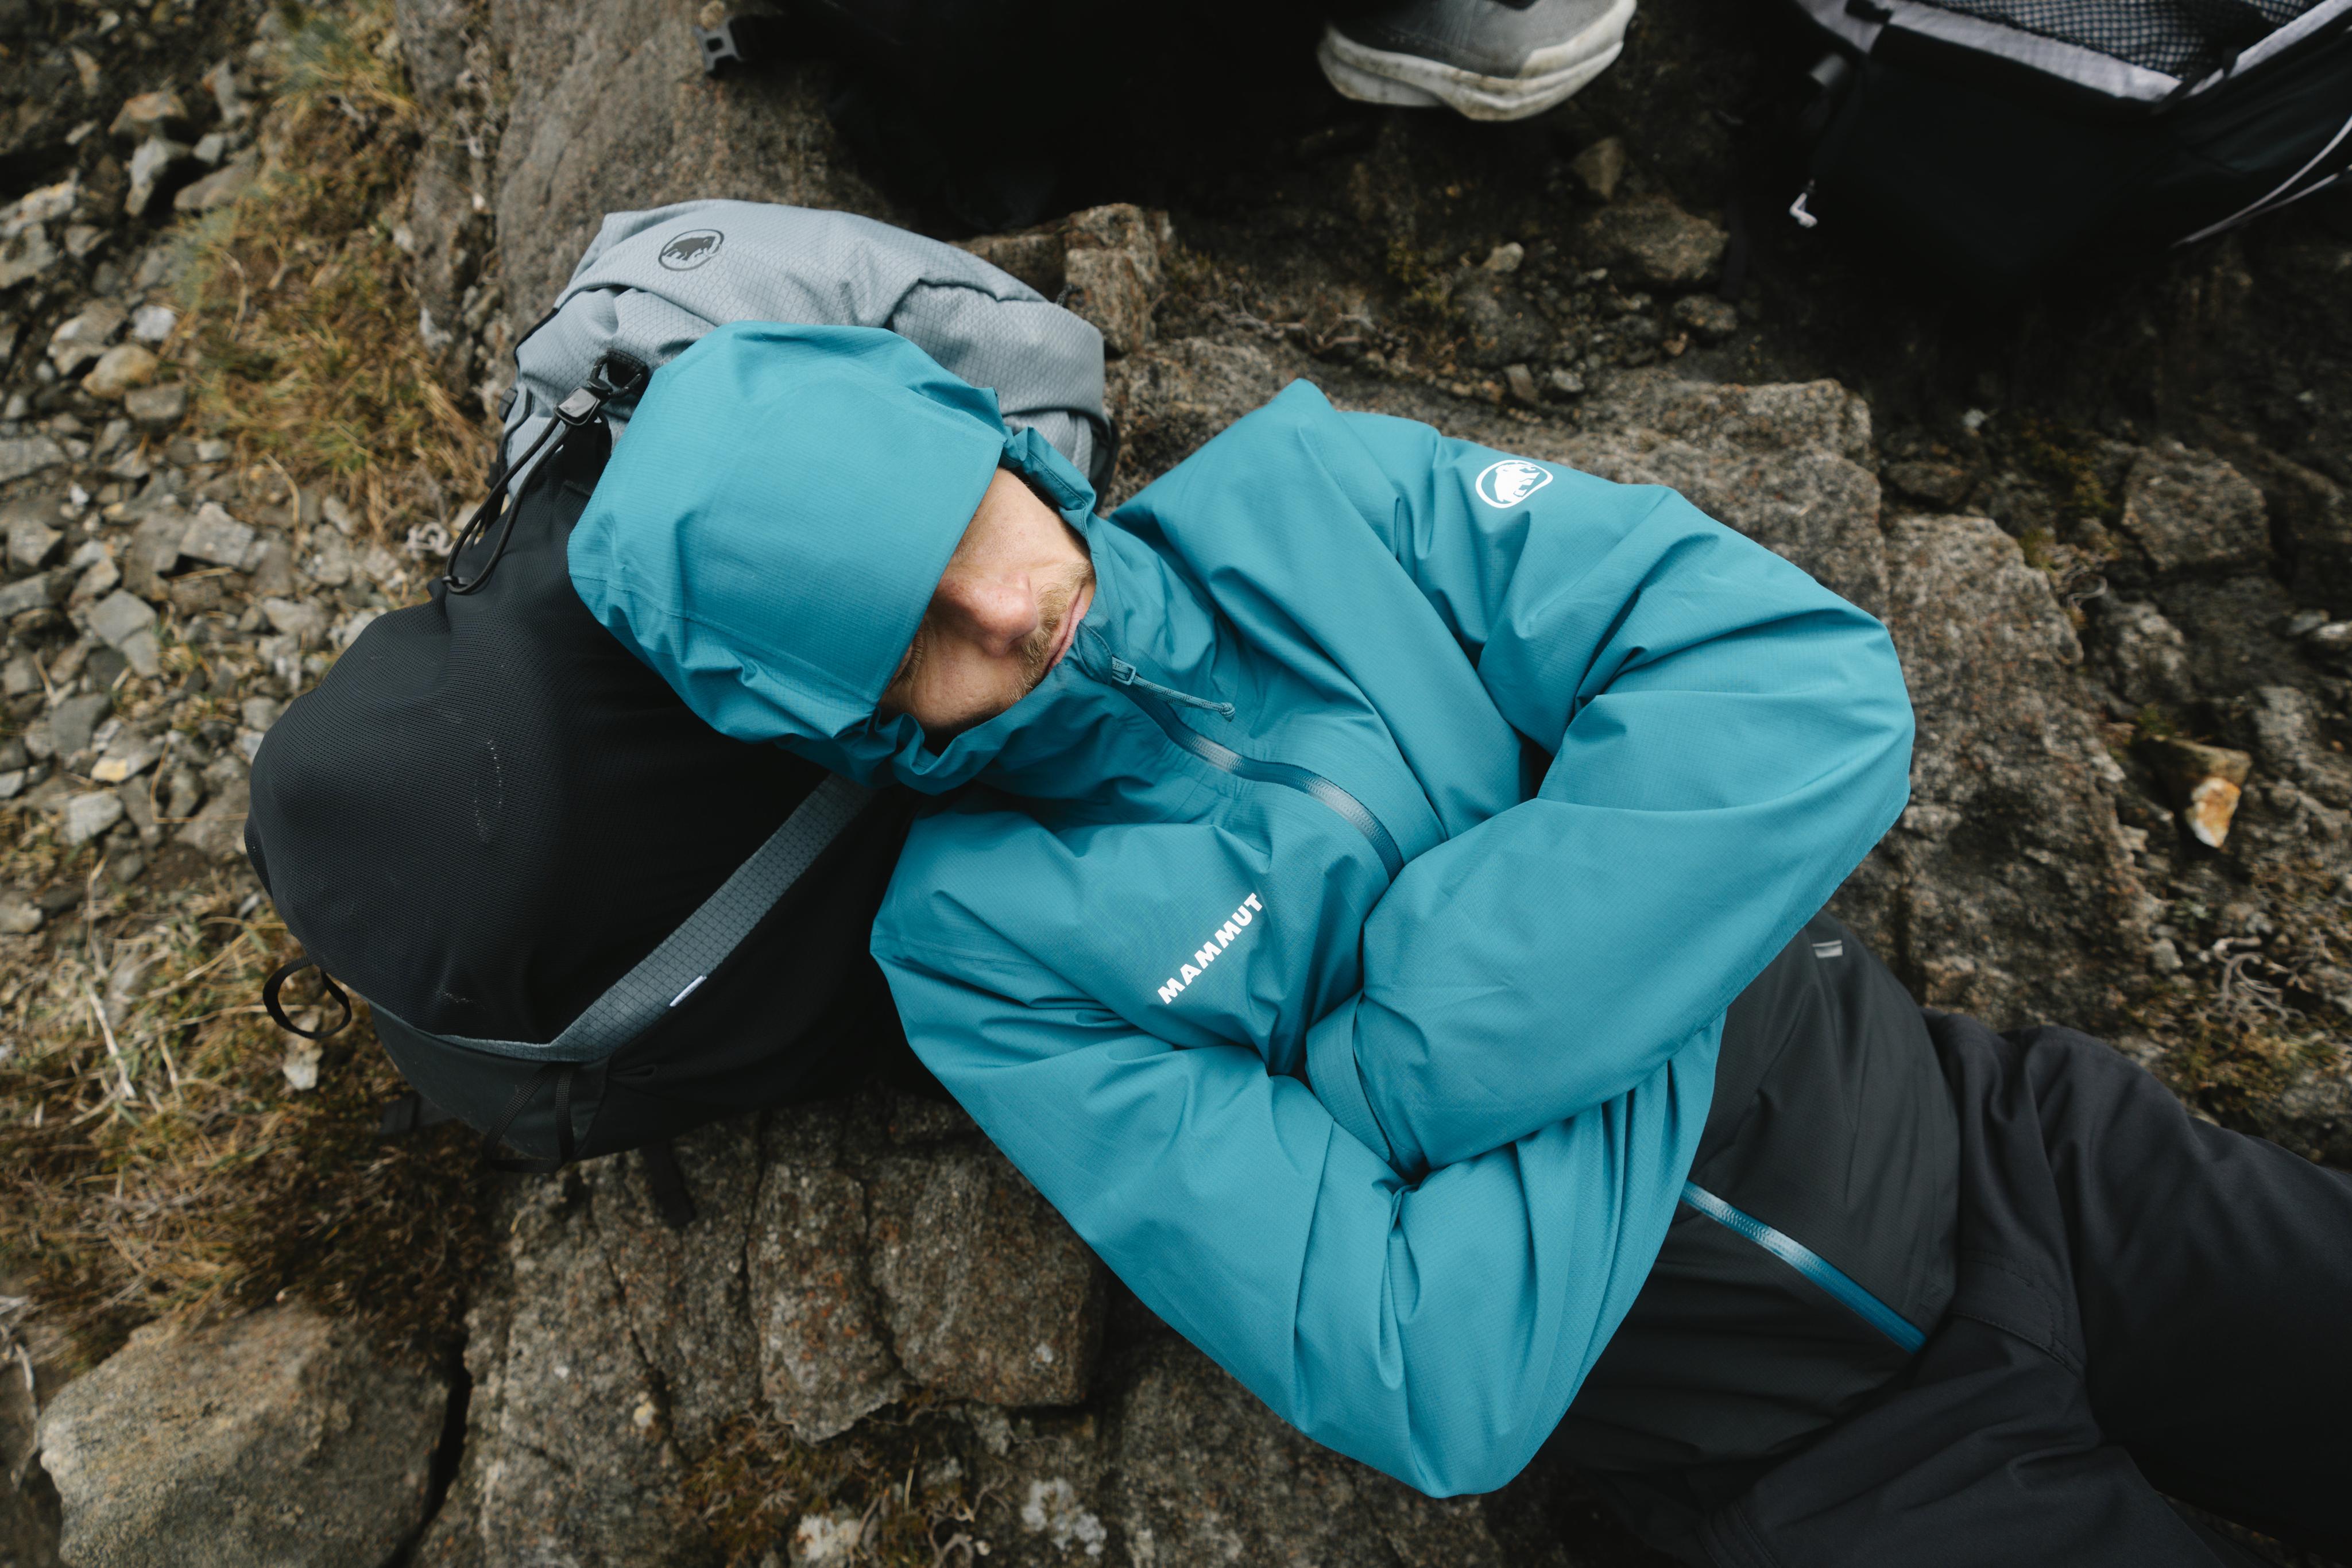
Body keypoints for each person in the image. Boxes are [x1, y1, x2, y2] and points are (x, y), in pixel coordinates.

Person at [564, 321, 2352, 1566]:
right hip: (1816, 1473)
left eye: (965, 526)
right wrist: (1652, 896)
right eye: (919, 645)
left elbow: (1807, 689)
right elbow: (1437, 1373)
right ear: (851, 730)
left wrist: (1392, 1070)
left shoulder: (1318, 495)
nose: (1011, 610)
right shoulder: (985, 959)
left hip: (2020, 1149)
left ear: (992, 444)